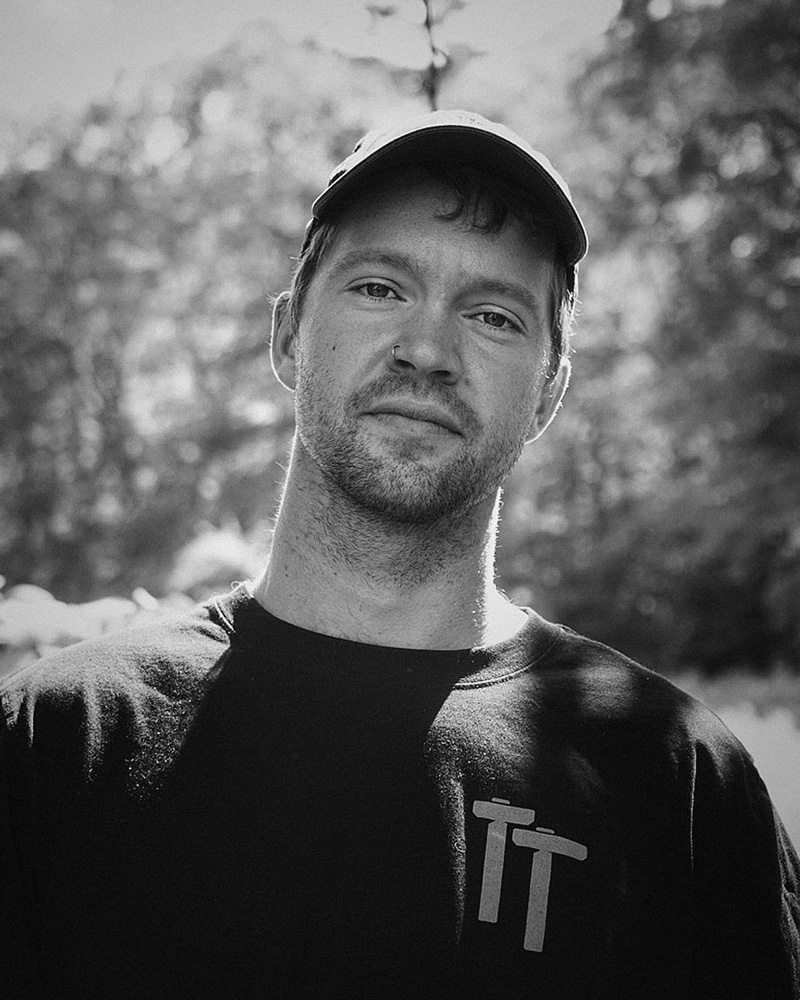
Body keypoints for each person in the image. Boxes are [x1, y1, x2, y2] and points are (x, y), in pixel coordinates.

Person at [1, 110, 798, 1000]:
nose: (427, 350)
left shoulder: (674, 777)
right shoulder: (54, 739)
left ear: (549, 392)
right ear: (288, 334)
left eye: (494, 316)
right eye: (380, 288)